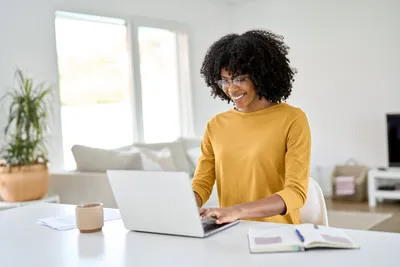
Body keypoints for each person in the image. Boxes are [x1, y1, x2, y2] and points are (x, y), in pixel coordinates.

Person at [191, 29, 311, 225]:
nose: (231, 89)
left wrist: (236, 211)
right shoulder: (216, 125)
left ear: (261, 75)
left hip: (277, 235)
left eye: (240, 79)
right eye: (225, 80)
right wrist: (181, 206)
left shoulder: (292, 119)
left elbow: (295, 193)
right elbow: (202, 184)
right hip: (230, 230)